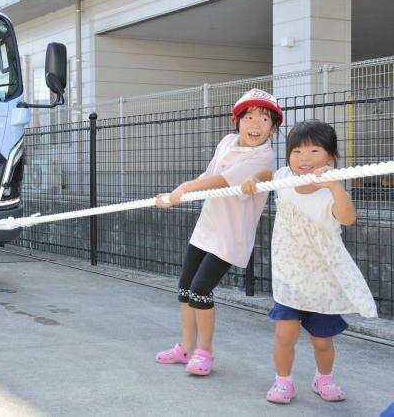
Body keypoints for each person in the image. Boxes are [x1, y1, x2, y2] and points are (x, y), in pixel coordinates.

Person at [241, 120, 376, 404]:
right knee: (284, 334)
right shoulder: (283, 177)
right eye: (298, 151)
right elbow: (268, 173)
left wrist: (337, 189)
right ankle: (283, 382)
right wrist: (255, 179)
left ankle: (323, 379)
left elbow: (348, 219)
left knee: (322, 340)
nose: (305, 158)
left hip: (322, 279)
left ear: (330, 157)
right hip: (290, 275)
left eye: (314, 151)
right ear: (288, 154)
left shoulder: (331, 190)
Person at [154, 88, 283, 376]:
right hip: (207, 227)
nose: (255, 125)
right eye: (249, 117)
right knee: (185, 289)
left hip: (230, 237)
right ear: (236, 120)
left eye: (264, 120)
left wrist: (183, 189)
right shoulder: (227, 142)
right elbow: (208, 174)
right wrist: (176, 195)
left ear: (273, 128)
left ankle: (205, 352)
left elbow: (220, 182)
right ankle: (186, 348)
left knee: (200, 291)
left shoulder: (263, 157)